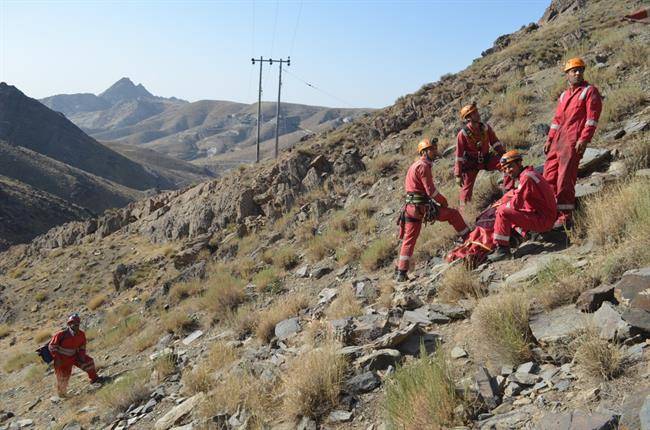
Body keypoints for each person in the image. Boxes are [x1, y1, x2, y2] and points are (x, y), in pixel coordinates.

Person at [396, 138, 470, 281]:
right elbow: (431, 191)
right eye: (432, 149)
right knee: (453, 214)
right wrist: (443, 201)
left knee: (409, 240)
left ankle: (401, 273)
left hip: (410, 208)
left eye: (435, 149)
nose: (435, 151)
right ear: (424, 152)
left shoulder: (415, 165)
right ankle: (469, 238)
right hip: (420, 207)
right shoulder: (423, 166)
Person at [543, 57, 602, 229]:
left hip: (572, 141)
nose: (577, 73)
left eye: (580, 70)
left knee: (565, 178)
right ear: (567, 74)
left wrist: (584, 139)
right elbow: (556, 120)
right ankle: (550, 211)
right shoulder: (564, 95)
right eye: (573, 70)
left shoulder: (589, 91)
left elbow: (592, 119)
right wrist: (549, 139)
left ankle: (565, 216)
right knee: (549, 177)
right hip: (557, 141)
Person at [488, 150, 557, 262]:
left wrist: (502, 205)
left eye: (510, 166)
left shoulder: (526, 178)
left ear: (519, 163)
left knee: (502, 211)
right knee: (508, 200)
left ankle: (502, 250)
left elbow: (516, 204)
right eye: (505, 169)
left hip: (544, 220)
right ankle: (528, 234)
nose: (508, 171)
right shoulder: (529, 174)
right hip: (545, 216)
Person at [454, 103, 510, 205]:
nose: (478, 114)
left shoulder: (485, 127)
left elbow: (495, 142)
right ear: (468, 118)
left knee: (507, 164)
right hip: (471, 164)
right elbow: (459, 156)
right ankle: (465, 211)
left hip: (486, 159)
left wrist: (504, 154)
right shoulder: (462, 134)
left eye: (476, 112)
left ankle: (508, 192)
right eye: (474, 113)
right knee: (466, 191)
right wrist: (458, 174)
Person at [48, 313, 103, 397]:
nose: (76, 325)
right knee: (63, 376)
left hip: (74, 356)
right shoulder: (61, 334)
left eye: (77, 323)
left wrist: (82, 356)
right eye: (73, 323)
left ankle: (94, 379)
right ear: (69, 324)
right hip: (62, 359)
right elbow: (52, 346)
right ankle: (62, 394)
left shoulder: (81, 334)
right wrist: (57, 358)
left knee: (88, 362)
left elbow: (82, 346)